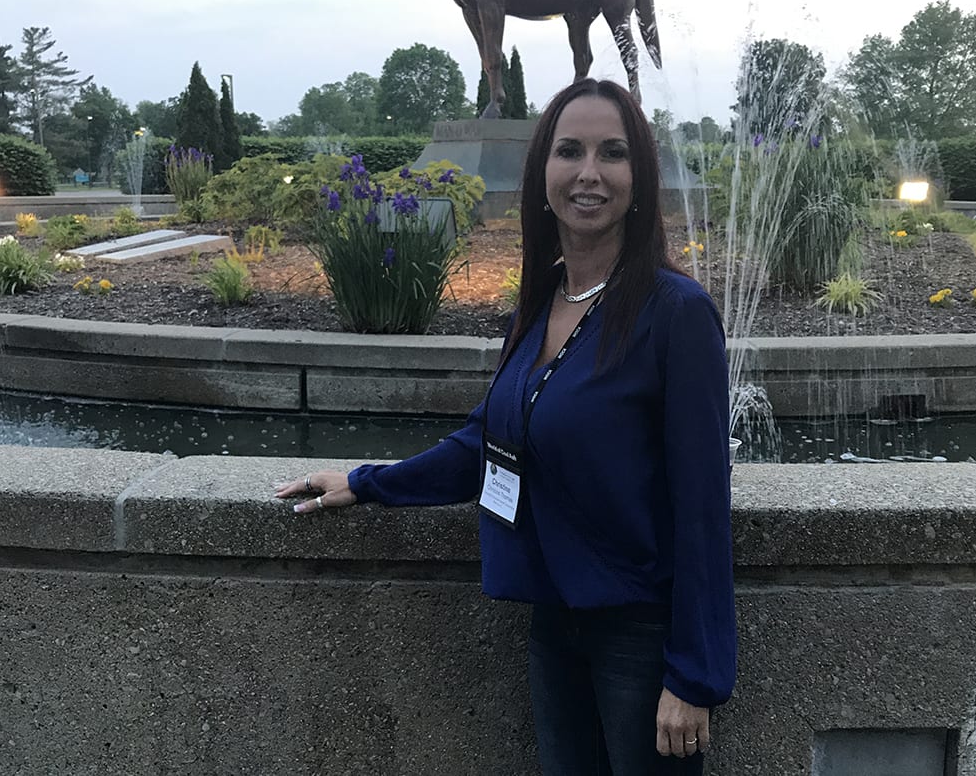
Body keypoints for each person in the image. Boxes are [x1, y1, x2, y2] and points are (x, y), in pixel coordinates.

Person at [275, 77, 736, 774]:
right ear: (542, 174)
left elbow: (703, 504)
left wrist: (695, 675)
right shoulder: (541, 301)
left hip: (640, 637)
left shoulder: (676, 312)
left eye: (612, 153)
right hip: (554, 624)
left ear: (639, 177)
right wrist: (367, 483)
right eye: (569, 151)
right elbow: (489, 444)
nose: (589, 172)